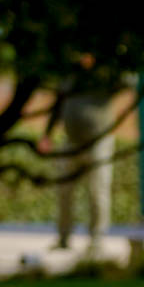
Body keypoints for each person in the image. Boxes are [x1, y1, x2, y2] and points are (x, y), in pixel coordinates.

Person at [40, 54, 119, 254]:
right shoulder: (69, 77)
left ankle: (97, 239)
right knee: (64, 191)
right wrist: (47, 134)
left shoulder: (105, 76)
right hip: (70, 141)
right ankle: (63, 237)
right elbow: (57, 105)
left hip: (98, 142)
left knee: (97, 191)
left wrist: (100, 65)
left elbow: (127, 80)